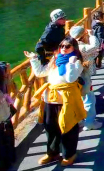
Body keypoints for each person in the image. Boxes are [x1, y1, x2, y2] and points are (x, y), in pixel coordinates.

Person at [25, 38, 85, 166]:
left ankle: (69, 154)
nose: (63, 48)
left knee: (68, 127)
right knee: (50, 127)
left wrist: (71, 63)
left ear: (74, 47)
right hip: (50, 99)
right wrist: (34, 59)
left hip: (67, 99)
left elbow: (70, 79)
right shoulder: (56, 60)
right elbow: (40, 73)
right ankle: (52, 153)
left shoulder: (77, 62)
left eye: (67, 46)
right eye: (61, 46)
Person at [69, 25, 101, 131]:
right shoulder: (82, 47)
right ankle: (89, 122)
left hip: (74, 77)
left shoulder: (69, 47)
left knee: (78, 99)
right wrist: (92, 35)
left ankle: (79, 120)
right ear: (82, 36)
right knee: (89, 99)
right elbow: (95, 46)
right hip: (84, 76)